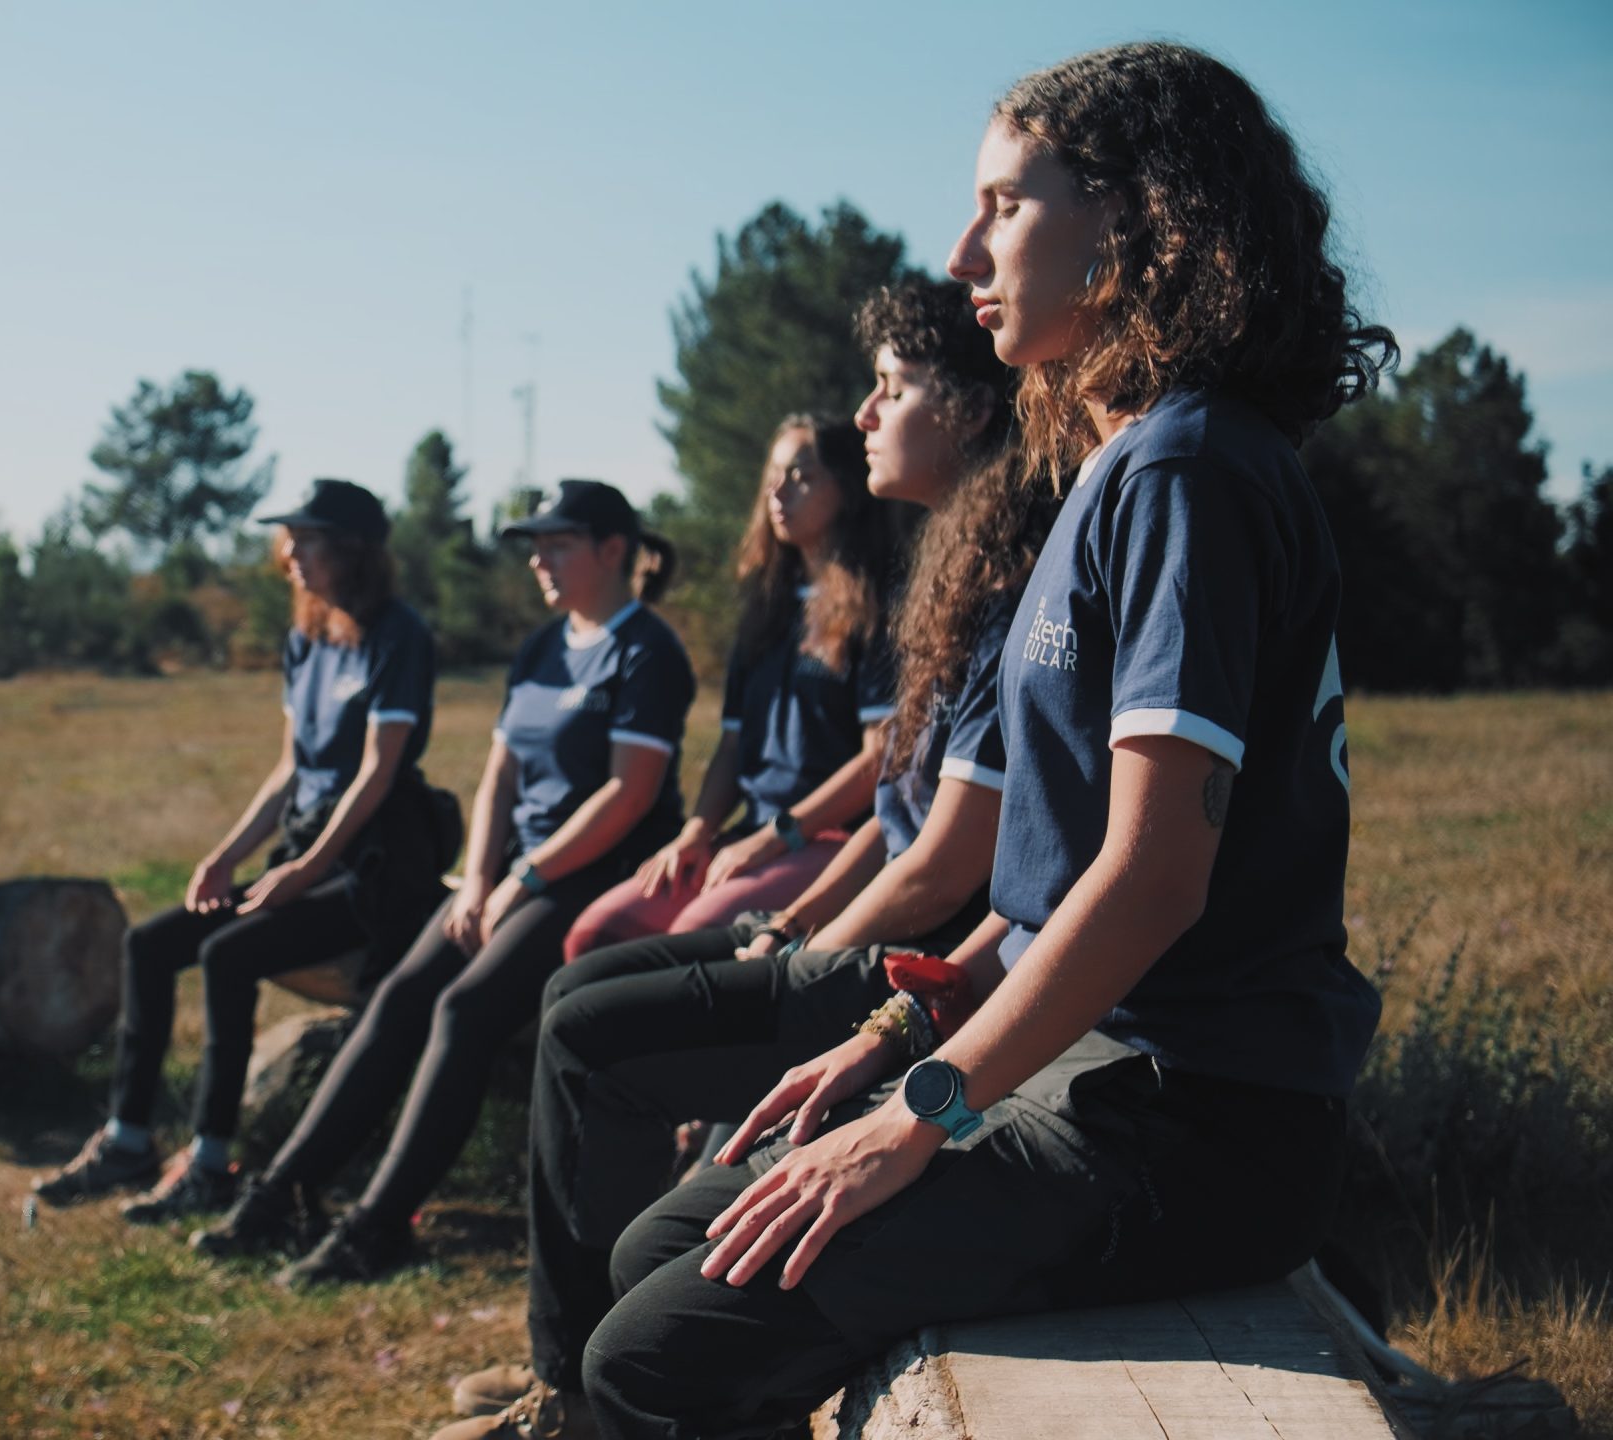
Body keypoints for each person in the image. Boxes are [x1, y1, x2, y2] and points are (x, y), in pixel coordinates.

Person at [572, 43, 1390, 1437]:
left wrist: (920, 1117)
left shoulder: (1188, 467)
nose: (964, 251)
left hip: (1195, 1126)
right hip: (1093, 1072)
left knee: (650, 1360)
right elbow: (1059, 880)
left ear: (1141, 218)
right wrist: (892, 1028)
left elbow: (1151, 882)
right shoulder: (1129, 462)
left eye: (1007, 203)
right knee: (655, 1257)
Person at [438, 276, 1055, 1434]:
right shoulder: (957, 571)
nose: (864, 417)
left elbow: (940, 867)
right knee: (580, 988)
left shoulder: (1009, 589)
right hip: (876, 929)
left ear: (972, 413)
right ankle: (563, 1369)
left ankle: (572, 1385)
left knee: (584, 1032)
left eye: (889, 390)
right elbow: (895, 812)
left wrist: (803, 942)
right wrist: (781, 922)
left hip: (919, 965)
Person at [191, 479, 694, 1288]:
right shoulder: (542, 646)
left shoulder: (647, 650)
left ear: (612, 550)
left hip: (591, 881)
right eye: (534, 544)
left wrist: (521, 879)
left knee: (463, 1011)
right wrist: (478, 884)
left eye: (557, 543)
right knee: (396, 999)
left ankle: (376, 1227)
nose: (538, 559)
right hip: (509, 879)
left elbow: (628, 794)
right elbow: (498, 773)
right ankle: (282, 1193)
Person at [31, 479, 450, 1220]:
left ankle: (211, 1161)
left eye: (307, 539)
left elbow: (379, 773)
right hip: (304, 855)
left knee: (230, 954)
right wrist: (227, 856)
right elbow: (292, 770)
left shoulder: (398, 635)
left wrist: (304, 870)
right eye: (288, 537)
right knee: (152, 943)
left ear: (351, 550)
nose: (288, 553)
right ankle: (129, 1140)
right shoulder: (307, 638)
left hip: (372, 872)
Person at [561, 417, 898, 959]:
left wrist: (776, 838)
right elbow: (733, 743)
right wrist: (697, 831)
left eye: (802, 476)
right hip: (753, 833)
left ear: (849, 492)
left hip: (834, 838)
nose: (778, 491)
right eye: (773, 475)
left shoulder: (880, 606)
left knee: (688, 941)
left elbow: (881, 757)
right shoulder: (766, 609)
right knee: (595, 935)